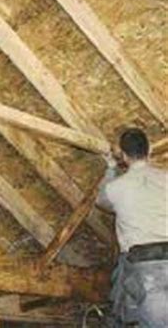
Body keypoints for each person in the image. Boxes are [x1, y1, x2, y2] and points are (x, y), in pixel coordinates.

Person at [96, 128, 168, 327]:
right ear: (150, 150)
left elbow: (101, 201)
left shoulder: (115, 188)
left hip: (139, 263)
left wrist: (110, 168)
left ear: (124, 156)